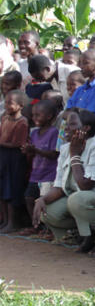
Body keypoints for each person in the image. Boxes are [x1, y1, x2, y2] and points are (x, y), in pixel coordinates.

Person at [33, 108, 95, 257]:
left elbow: (85, 185)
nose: (65, 127)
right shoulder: (65, 148)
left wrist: (75, 155)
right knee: (47, 211)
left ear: (85, 128)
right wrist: (42, 199)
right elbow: (59, 186)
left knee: (77, 199)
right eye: (65, 123)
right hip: (82, 200)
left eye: (71, 124)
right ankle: (88, 235)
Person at [20, 100, 59, 235]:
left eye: (38, 115)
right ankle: (36, 225)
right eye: (33, 115)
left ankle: (48, 228)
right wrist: (28, 150)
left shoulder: (54, 132)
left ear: (48, 116)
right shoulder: (34, 133)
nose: (34, 118)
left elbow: (54, 154)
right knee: (29, 198)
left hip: (49, 174)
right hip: (36, 173)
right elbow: (33, 151)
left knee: (45, 202)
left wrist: (35, 150)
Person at [0, 90, 29, 232]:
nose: (6, 106)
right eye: (5, 102)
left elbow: (18, 144)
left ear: (20, 105)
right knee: (2, 189)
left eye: (10, 103)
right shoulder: (5, 118)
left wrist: (1, 143)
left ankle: (12, 222)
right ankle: (5, 221)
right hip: (3, 157)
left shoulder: (22, 122)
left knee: (11, 189)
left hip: (14, 159)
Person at [66, 49, 95, 139]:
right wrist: (76, 111)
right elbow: (66, 113)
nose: (81, 66)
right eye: (80, 63)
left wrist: (75, 110)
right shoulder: (80, 89)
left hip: (92, 137)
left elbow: (89, 118)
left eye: (85, 63)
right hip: (76, 136)